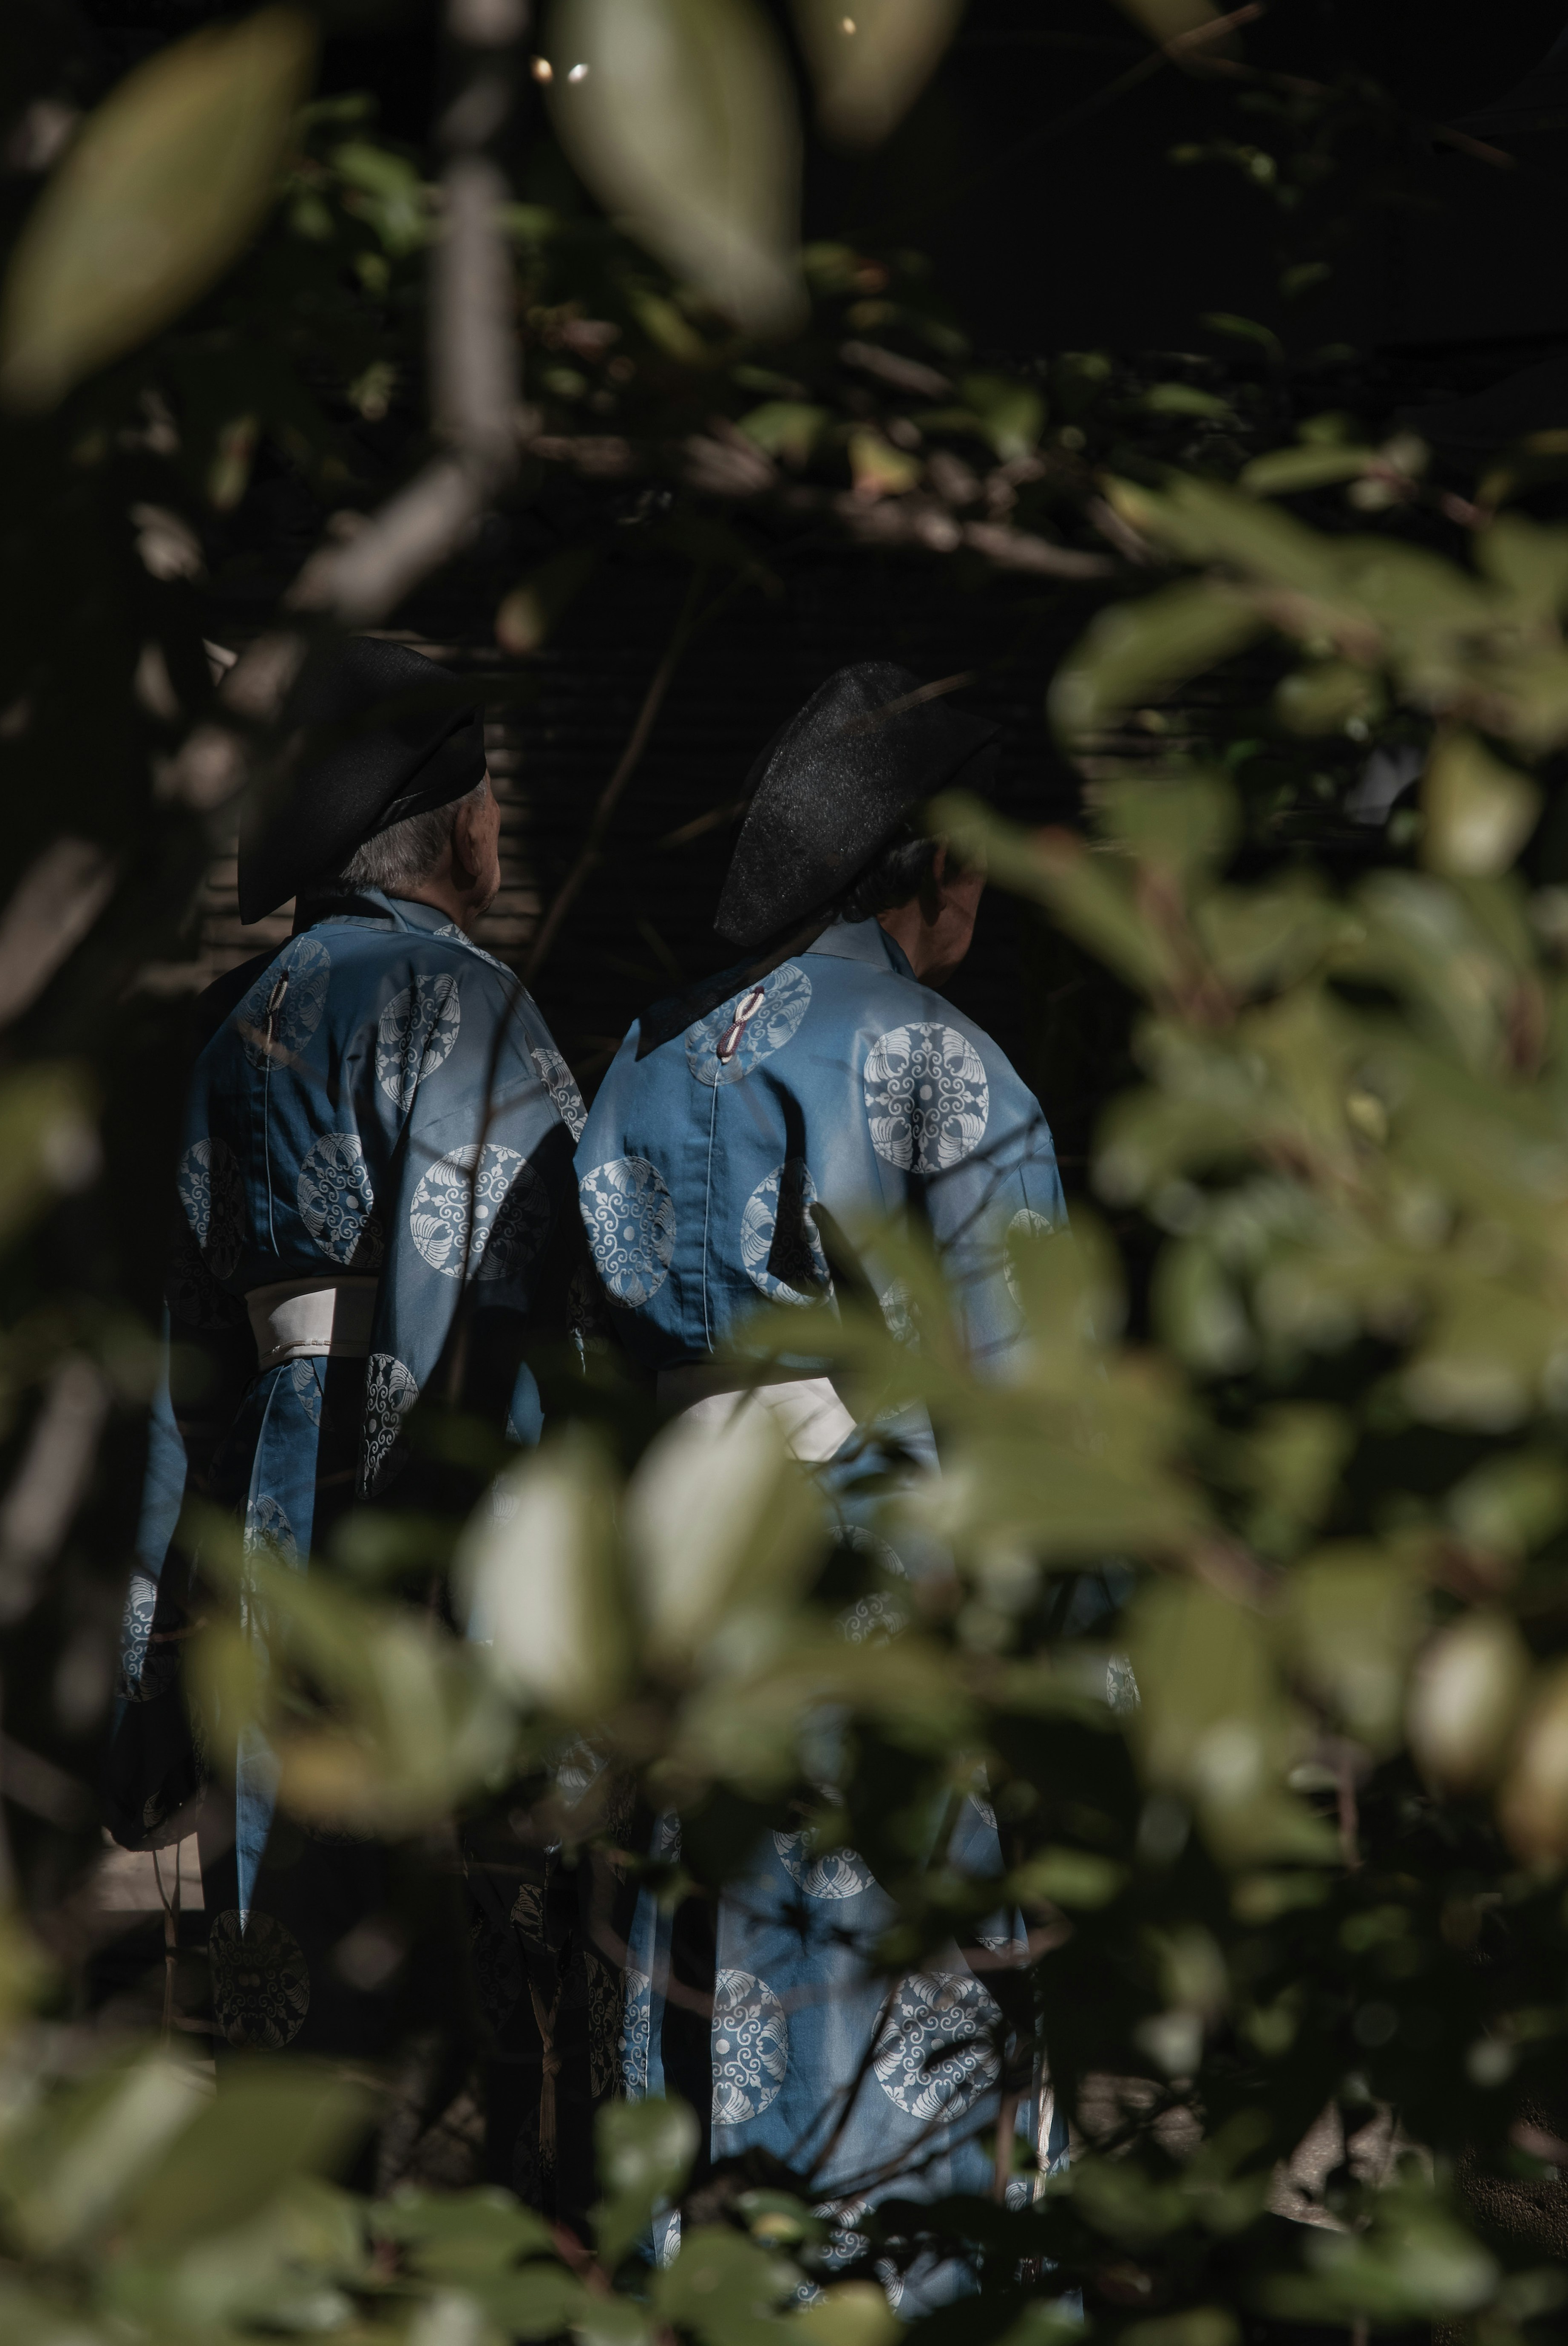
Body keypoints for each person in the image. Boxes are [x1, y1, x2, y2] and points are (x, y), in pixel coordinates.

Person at [574, 662, 1066, 2268]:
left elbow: (575, 1381)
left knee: (696, 2014)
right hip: (877, 1602)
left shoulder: (640, 1060)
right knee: (888, 2054)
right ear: (923, 860)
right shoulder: (948, 1067)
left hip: (675, 1590)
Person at [108, 638, 599, 2182]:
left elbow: (179, 1369)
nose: (504, 827)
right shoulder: (464, 1006)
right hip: (422, 1523)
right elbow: (471, 1310)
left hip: (263, 1521)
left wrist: (147, 1662)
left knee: (293, 1983)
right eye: (492, 796)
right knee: (474, 1997)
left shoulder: (236, 1022)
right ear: (448, 826)